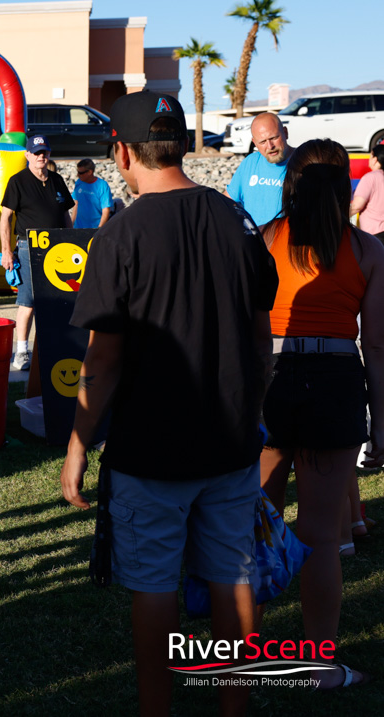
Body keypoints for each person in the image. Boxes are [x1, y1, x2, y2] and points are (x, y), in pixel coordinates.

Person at [59, 92, 278, 716]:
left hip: (149, 451)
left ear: (123, 152)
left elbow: (101, 361)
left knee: (154, 586)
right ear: (180, 144)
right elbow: (259, 329)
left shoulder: (121, 234)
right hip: (231, 442)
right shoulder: (236, 219)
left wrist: (77, 448)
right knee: (233, 575)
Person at [258, 139, 383, 690]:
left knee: (253, 528)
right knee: (321, 538)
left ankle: (242, 654)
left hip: (270, 380)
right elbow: (376, 347)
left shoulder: (264, 240)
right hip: (334, 381)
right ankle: (316, 667)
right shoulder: (369, 249)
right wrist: (381, 424)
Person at [0, 134, 74, 370]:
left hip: (56, 248)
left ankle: (53, 347)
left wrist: (71, 241)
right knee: (28, 302)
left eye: (45, 152)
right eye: (37, 152)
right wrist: (6, 251)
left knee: (58, 300)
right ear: (27, 155)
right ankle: (21, 352)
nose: (41, 156)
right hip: (28, 247)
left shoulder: (57, 180)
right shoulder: (17, 181)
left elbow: (65, 214)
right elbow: (6, 217)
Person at [225, 112, 294, 226]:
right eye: (262, 142)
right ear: (255, 143)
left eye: (274, 138)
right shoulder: (250, 162)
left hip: (289, 241)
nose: (270, 146)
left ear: (285, 133)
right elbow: (227, 201)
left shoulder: (303, 161)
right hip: (255, 241)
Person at [350, 144, 384, 240]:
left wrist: (340, 217)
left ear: (375, 159)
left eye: (370, 156)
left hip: (375, 234)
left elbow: (357, 206)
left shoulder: (370, 177)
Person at [70, 159, 113, 230]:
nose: (77, 175)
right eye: (78, 172)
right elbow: (76, 204)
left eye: (81, 173)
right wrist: (71, 225)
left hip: (94, 229)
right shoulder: (78, 182)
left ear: (90, 172)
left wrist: (99, 229)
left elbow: (106, 210)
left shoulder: (102, 186)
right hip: (78, 228)